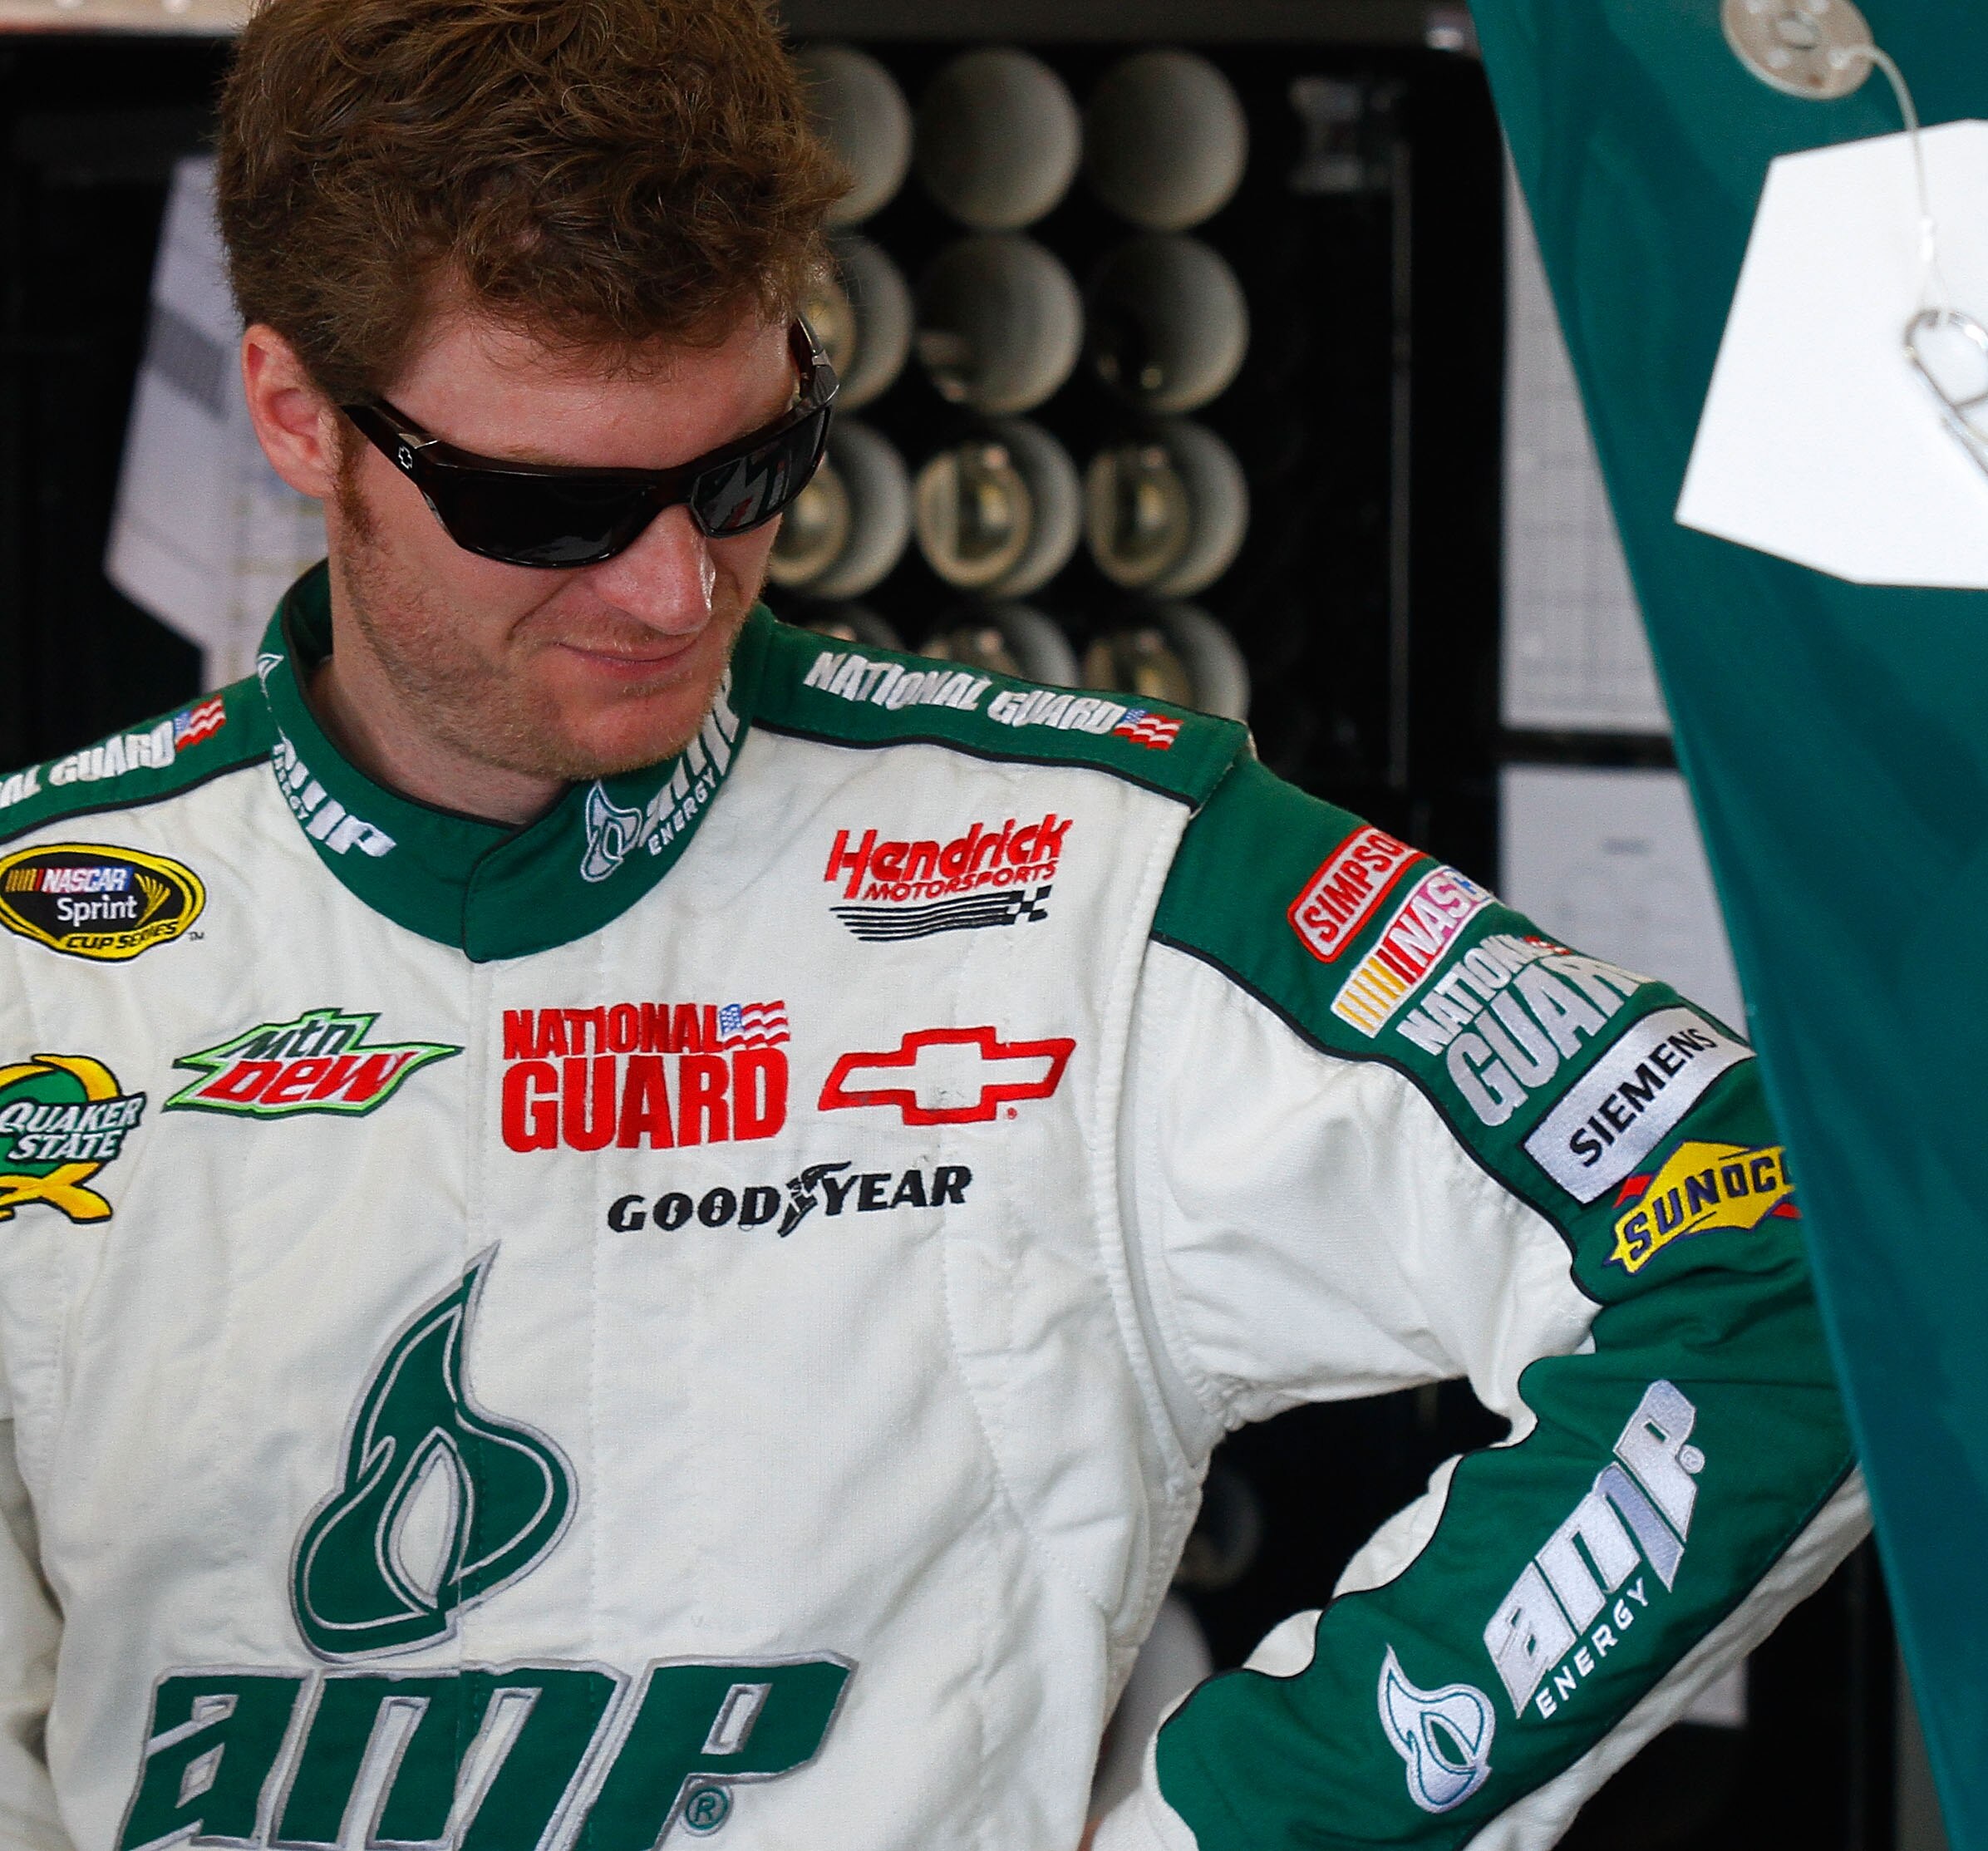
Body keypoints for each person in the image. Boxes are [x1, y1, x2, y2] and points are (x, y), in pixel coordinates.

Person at [0, 2, 1867, 1847]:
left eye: (746, 472)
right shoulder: (35, 950)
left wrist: (1254, 1824)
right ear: (292, 414)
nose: (672, 589)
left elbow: (1776, 1253)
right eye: (547, 506)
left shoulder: (1091, 878)